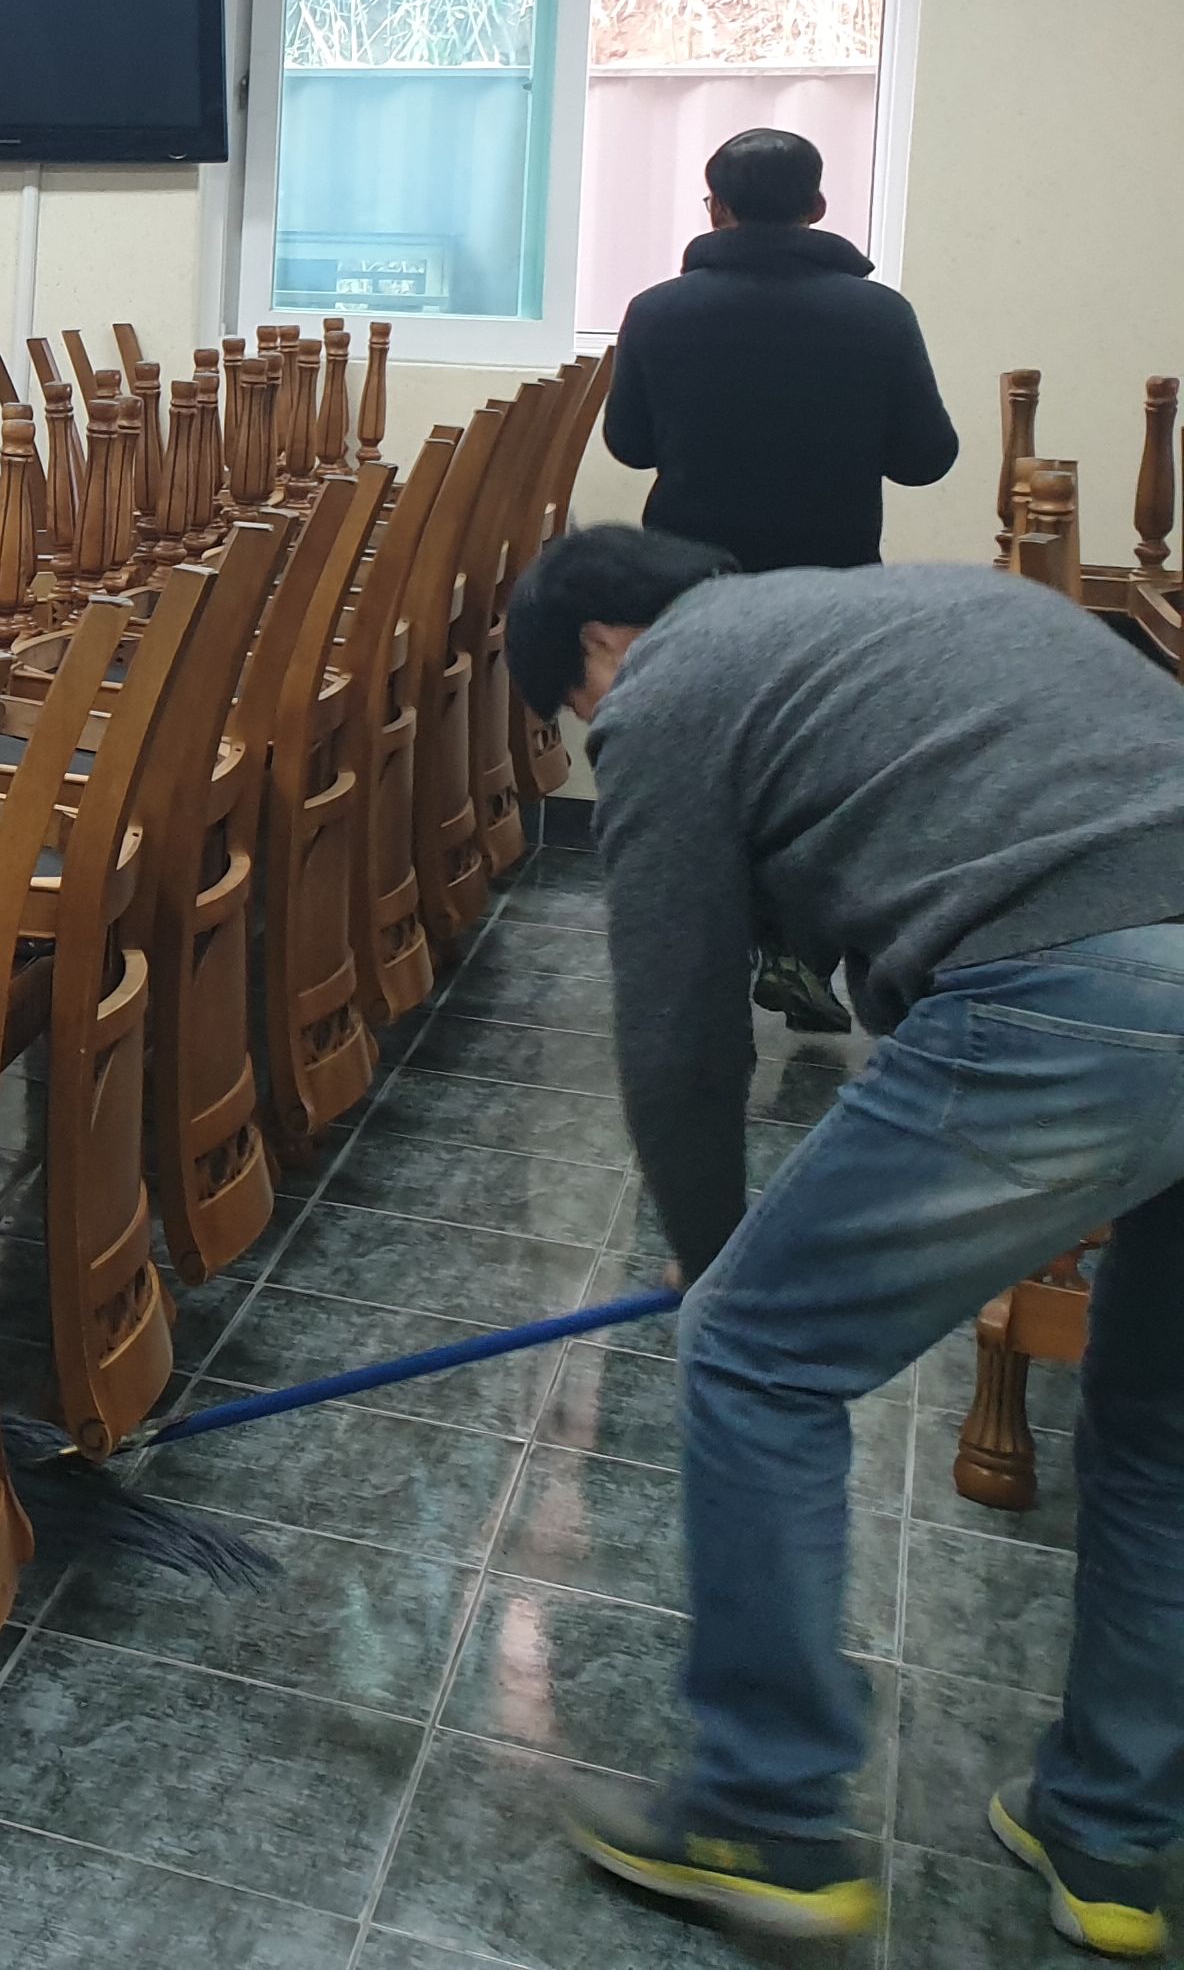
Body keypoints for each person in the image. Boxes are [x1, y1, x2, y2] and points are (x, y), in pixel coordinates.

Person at [504, 526, 1184, 1953]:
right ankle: (1112, 1835)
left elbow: (679, 1030)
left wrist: (711, 1253)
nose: (596, 737)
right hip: (1132, 945)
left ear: (600, 647)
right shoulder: (863, 620)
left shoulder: (669, 686)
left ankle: (763, 1814)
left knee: (754, 1353)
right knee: (1164, 1431)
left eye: (574, 712)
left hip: (1085, 981)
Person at [603, 128, 962, 1033]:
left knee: (701, 763)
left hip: (694, 588)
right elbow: (926, 459)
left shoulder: (657, 311)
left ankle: (700, 949)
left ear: (715, 209)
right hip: (830, 586)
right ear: (817, 207)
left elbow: (630, 445)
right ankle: (801, 950)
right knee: (819, 772)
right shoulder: (879, 314)